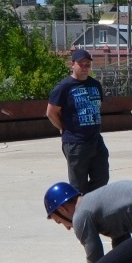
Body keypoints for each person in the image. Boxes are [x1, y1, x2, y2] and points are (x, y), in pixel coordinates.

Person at [46, 48, 109, 193]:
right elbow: (51, 112)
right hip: (76, 143)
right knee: (78, 187)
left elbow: (97, 106)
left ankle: (90, 206)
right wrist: (63, 127)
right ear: (72, 64)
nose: (85, 68)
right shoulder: (64, 87)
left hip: (96, 141)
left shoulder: (95, 85)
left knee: (101, 179)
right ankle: (80, 212)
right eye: (81, 64)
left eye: (88, 64)